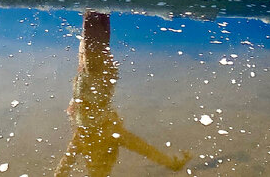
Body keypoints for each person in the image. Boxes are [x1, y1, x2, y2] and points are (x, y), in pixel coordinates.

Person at [54, 10, 191, 175]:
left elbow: (63, 168)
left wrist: (170, 163)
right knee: (94, 30)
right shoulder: (112, 136)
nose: (95, 159)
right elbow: (143, 148)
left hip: (90, 80)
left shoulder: (83, 140)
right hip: (97, 81)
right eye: (99, 162)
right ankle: (98, 4)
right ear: (106, 157)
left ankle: (99, 5)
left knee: (94, 34)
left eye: (93, 163)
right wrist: (168, 162)